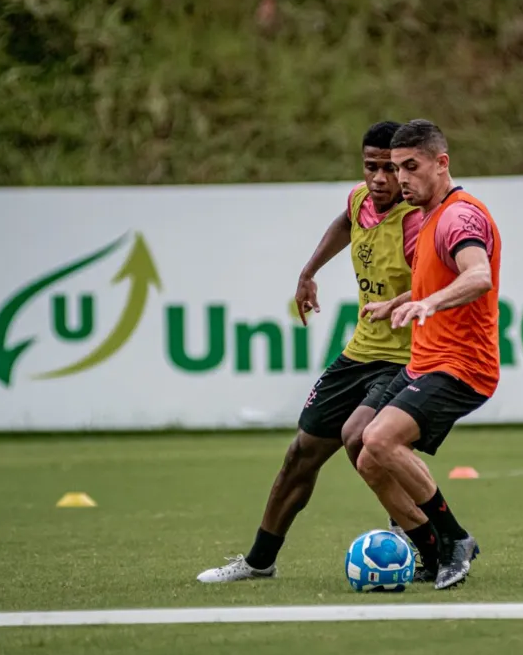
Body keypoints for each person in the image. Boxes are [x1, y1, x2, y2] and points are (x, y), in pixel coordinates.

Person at [196, 121, 442, 583]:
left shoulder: (415, 222)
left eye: (390, 169)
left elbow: (437, 286)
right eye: (371, 167)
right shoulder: (360, 201)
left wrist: (407, 303)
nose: (379, 180)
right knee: (300, 455)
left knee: (361, 439)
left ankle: (427, 537)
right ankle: (259, 562)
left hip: (407, 358)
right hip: (359, 354)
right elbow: (346, 220)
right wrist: (309, 271)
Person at [359, 119, 502, 590]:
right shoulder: (429, 217)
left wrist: (428, 303)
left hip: (462, 366)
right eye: (397, 168)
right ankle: (432, 553)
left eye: (411, 166)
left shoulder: (460, 217)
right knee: (366, 455)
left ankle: (455, 539)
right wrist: (399, 302)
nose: (401, 179)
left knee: (380, 439)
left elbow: (477, 275)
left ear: (442, 163)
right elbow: (434, 283)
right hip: (427, 361)